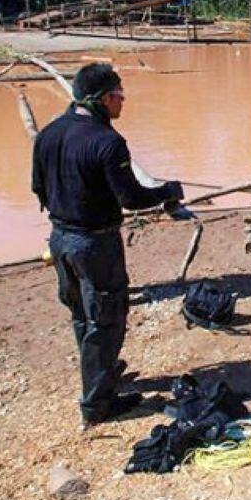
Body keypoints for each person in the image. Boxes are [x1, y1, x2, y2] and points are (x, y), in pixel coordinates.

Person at [31, 63, 184, 427]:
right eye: (118, 96)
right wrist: (168, 191)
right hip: (94, 243)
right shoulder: (107, 142)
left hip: (60, 238)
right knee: (106, 317)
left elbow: (37, 187)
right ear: (101, 99)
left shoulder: (49, 133)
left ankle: (99, 375)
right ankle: (97, 404)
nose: (122, 103)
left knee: (82, 312)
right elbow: (130, 198)